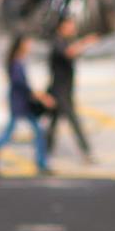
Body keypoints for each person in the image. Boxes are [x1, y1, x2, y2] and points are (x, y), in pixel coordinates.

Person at [0, 34, 55, 176]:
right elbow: (23, 86)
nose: (29, 46)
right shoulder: (16, 63)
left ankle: (41, 163)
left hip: (21, 103)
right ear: (20, 45)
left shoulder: (18, 61)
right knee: (8, 135)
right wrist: (41, 97)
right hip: (20, 104)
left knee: (37, 132)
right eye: (27, 43)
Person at [44, 15, 98, 159]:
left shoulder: (66, 41)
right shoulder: (57, 42)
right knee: (73, 121)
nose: (73, 28)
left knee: (53, 124)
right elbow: (70, 53)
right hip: (60, 91)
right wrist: (86, 42)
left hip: (64, 90)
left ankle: (44, 152)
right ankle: (86, 152)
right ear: (62, 27)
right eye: (70, 25)